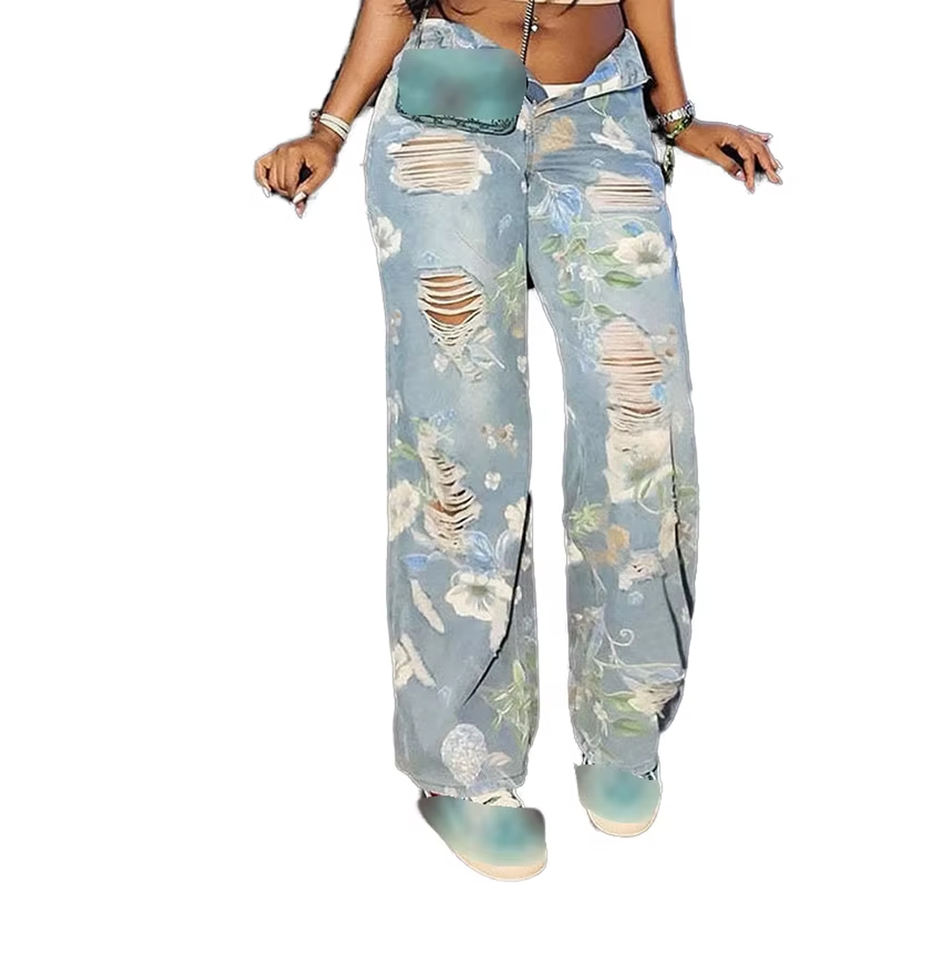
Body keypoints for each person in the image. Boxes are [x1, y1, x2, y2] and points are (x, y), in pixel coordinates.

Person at [254, 0, 780, 881]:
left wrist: (676, 115)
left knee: (639, 412)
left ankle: (624, 723)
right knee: (459, 434)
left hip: (603, 113)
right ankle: (466, 766)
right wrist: (329, 131)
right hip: (447, 107)